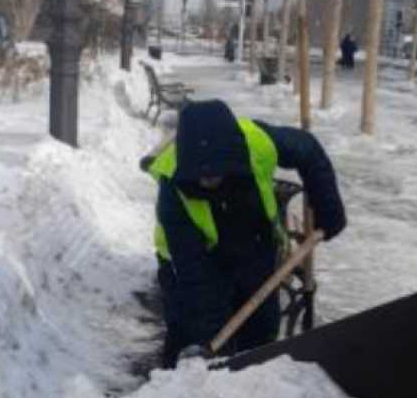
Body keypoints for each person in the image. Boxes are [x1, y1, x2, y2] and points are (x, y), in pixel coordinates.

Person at [145, 100, 346, 367]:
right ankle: (178, 391)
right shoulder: (174, 183)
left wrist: (328, 206)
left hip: (252, 237)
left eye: (216, 174)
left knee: (260, 329)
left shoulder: (257, 143)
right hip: (188, 259)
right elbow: (195, 273)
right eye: (201, 177)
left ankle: (255, 384)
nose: (208, 181)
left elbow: (308, 150)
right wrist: (211, 339)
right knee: (190, 332)